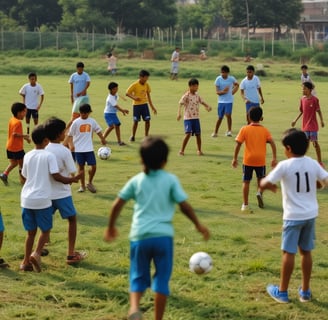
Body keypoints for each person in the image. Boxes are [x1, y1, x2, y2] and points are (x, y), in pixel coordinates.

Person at [104, 136, 210, 320]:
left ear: (141, 160)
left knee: (138, 275)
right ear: (164, 160)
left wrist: (111, 227)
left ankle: (134, 308)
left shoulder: (137, 180)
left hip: (139, 236)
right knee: (161, 279)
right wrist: (198, 225)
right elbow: (184, 206)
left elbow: (117, 204)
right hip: (163, 237)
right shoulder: (170, 180)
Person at [260, 128, 328, 303]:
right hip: (310, 215)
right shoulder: (312, 163)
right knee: (306, 252)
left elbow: (264, 182)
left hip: (293, 216)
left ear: (288, 148)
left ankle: (282, 292)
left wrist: (268, 186)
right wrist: (318, 186)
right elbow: (324, 181)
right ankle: (305, 291)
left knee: (288, 252)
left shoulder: (284, 165)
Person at [20, 125, 80, 272]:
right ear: (46, 140)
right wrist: (73, 180)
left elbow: (25, 175)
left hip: (26, 198)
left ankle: (25, 262)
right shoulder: (49, 156)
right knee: (46, 230)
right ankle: (36, 253)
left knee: (30, 233)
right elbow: (56, 176)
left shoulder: (27, 155)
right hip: (42, 199)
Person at [44, 117, 86, 265]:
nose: (66, 132)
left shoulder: (43, 150)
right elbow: (71, 172)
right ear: (58, 134)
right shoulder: (64, 151)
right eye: (64, 131)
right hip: (62, 193)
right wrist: (78, 176)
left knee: (45, 222)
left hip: (46, 194)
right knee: (72, 220)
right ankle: (70, 254)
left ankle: (40, 248)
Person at [232, 107, 277, 212]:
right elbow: (272, 143)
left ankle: (245, 204)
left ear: (248, 117)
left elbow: (238, 144)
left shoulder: (245, 129)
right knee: (261, 180)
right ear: (261, 118)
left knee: (246, 181)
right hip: (260, 160)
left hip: (248, 160)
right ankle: (259, 192)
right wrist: (274, 158)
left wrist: (234, 158)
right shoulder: (264, 130)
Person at [67, 103, 107, 193]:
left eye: (85, 113)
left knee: (93, 166)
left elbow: (98, 130)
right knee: (81, 168)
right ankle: (82, 186)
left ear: (89, 112)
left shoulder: (92, 121)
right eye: (82, 113)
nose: (83, 115)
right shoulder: (76, 122)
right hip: (78, 149)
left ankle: (89, 182)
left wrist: (103, 139)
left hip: (89, 149)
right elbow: (69, 135)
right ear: (80, 113)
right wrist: (71, 145)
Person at [291, 81, 324, 166]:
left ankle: (319, 161)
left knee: (315, 143)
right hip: (305, 126)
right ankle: (302, 160)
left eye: (304, 88)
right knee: (305, 144)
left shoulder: (315, 100)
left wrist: (321, 120)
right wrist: (295, 120)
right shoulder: (302, 99)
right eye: (302, 88)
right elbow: (302, 111)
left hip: (313, 126)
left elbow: (318, 110)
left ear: (309, 90)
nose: (303, 90)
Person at [177, 78, 212, 156]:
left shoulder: (197, 95)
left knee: (198, 134)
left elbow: (202, 101)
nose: (197, 88)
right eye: (195, 86)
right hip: (188, 118)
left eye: (197, 86)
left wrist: (207, 106)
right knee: (188, 133)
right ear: (190, 86)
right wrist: (179, 113)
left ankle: (199, 150)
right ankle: (181, 150)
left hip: (196, 118)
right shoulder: (186, 95)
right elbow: (180, 104)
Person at [0, 102, 31, 186]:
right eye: (24, 111)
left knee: (14, 163)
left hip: (10, 146)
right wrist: (26, 136)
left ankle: (4, 174)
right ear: (19, 112)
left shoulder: (12, 119)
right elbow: (15, 134)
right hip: (17, 148)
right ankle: (23, 182)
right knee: (22, 165)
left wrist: (25, 137)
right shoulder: (18, 123)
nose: (25, 113)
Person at [126, 69, 157, 142]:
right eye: (145, 78)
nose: (146, 80)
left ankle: (146, 136)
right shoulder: (134, 85)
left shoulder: (147, 85)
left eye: (147, 78)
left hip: (144, 105)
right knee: (136, 121)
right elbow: (127, 93)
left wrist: (152, 107)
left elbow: (149, 96)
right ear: (140, 77)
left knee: (147, 120)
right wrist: (134, 97)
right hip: (136, 106)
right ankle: (133, 136)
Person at [211, 65, 239, 138]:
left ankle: (229, 131)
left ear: (228, 73)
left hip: (229, 101)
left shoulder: (231, 79)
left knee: (228, 115)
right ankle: (215, 132)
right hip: (221, 101)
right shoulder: (218, 79)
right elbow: (217, 92)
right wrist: (224, 91)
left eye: (225, 73)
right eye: (222, 72)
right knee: (220, 117)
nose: (223, 74)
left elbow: (237, 85)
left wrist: (233, 92)